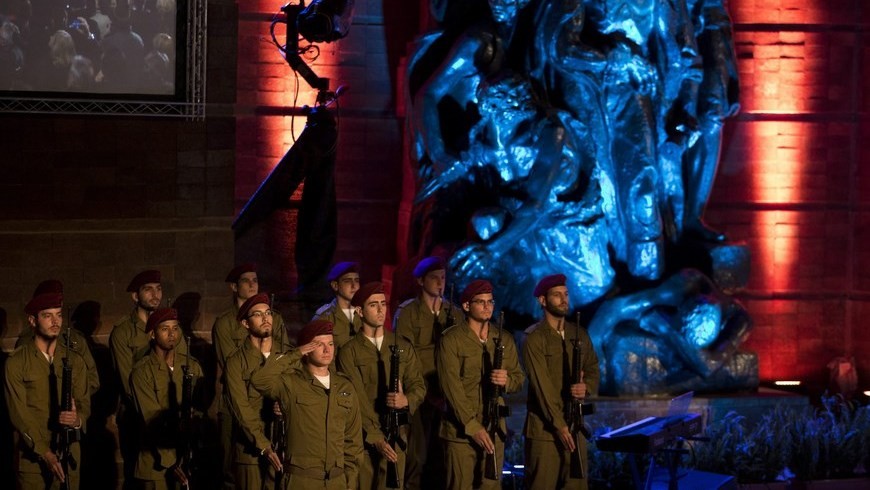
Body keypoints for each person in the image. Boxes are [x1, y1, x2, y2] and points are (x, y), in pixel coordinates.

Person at [251, 319, 363, 489]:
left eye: (331, 344)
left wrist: (350, 481)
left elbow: (353, 441)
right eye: (319, 345)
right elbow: (259, 380)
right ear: (307, 349)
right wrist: (296, 353)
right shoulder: (290, 383)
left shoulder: (344, 386)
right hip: (301, 481)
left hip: (337, 482)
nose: (327, 350)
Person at [437, 279, 524, 489]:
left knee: (491, 485)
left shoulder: (503, 339)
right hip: (461, 431)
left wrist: (507, 381)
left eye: (490, 302)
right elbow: (451, 389)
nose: (487, 306)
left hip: (494, 427)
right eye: (481, 302)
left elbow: (518, 379)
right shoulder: (451, 340)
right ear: (466, 306)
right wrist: (472, 426)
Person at [338, 282, 426, 489]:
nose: (380, 310)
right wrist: (375, 435)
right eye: (373, 305)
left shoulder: (401, 345)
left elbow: (418, 385)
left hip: (397, 433)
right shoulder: (349, 352)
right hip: (363, 438)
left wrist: (407, 400)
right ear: (359, 311)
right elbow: (356, 398)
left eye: (383, 304)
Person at [213, 263, 291, 489]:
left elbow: (284, 358)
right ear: (233, 287)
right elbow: (233, 366)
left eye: (255, 280)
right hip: (242, 401)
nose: (251, 285)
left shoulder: (274, 319)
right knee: (235, 466)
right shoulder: (226, 323)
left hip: (273, 404)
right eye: (245, 281)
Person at [109, 269, 188, 488]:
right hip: (137, 414)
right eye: (148, 289)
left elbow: (181, 366)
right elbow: (127, 382)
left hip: (170, 411)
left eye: (158, 288)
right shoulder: (123, 332)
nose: (155, 294)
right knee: (140, 473)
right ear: (135, 296)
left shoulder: (170, 328)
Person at [5, 290, 90, 489]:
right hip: (33, 458)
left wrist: (77, 420)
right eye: (47, 315)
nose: (55, 321)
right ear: (33, 321)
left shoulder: (75, 360)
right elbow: (19, 415)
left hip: (69, 455)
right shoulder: (17, 362)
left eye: (59, 315)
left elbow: (85, 402)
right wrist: (45, 452)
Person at [522, 274, 600, 490]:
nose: (564, 299)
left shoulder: (579, 334)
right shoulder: (534, 338)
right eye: (557, 295)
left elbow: (593, 368)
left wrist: (587, 387)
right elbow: (542, 388)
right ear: (543, 301)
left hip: (575, 426)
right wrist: (559, 425)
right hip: (545, 431)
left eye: (565, 294)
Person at [393, 256, 462, 489]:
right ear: (421, 281)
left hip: (447, 392)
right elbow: (404, 355)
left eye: (443, 277)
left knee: (443, 454)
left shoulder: (453, 313)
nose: (440, 283)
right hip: (419, 392)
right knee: (416, 454)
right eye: (434, 278)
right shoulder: (408, 313)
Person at [130, 307, 205, 489]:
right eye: (165, 329)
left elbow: (202, 410)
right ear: (152, 335)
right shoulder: (142, 371)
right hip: (158, 464)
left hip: (188, 459)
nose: (172, 334)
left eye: (175, 328)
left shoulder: (191, 366)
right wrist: (172, 462)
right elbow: (151, 418)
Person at [16, 280, 100, 399]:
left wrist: (72, 399)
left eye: (59, 298)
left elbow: (93, 380)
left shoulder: (75, 339)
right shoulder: (26, 341)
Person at [312, 261, 362, 349]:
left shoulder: (365, 313)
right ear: (335, 285)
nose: (354, 286)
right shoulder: (324, 317)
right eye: (348, 281)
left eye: (356, 281)